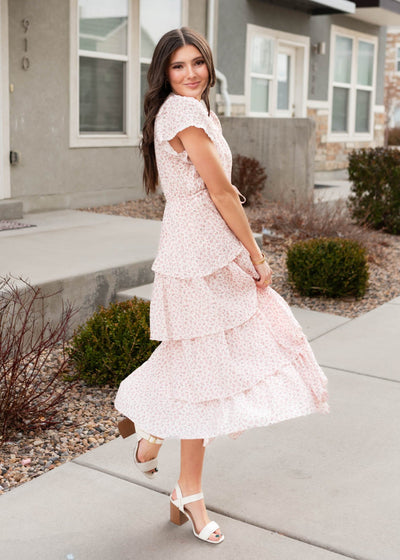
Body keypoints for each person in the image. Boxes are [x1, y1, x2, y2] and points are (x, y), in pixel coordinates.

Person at [114, 26, 329, 545]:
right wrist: (256, 255)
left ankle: (151, 431)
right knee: (206, 372)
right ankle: (184, 482)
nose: (191, 74)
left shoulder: (194, 110)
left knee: (201, 364)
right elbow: (223, 194)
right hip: (198, 258)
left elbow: (221, 192)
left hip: (202, 250)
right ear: (163, 74)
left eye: (197, 63)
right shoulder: (183, 112)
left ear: (209, 65)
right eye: (178, 66)